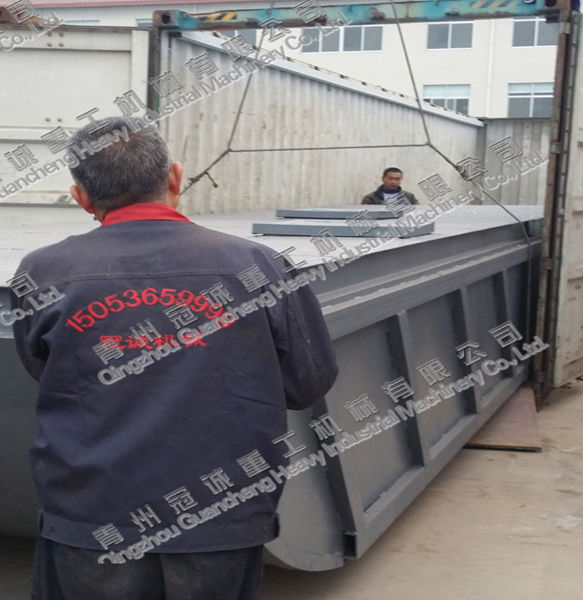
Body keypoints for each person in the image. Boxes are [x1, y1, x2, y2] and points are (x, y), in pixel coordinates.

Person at [10, 116, 338, 600]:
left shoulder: (41, 272)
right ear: (174, 178)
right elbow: (308, 382)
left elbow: (46, 370)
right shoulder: (258, 266)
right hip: (221, 510)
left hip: (91, 515)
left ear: (81, 197)